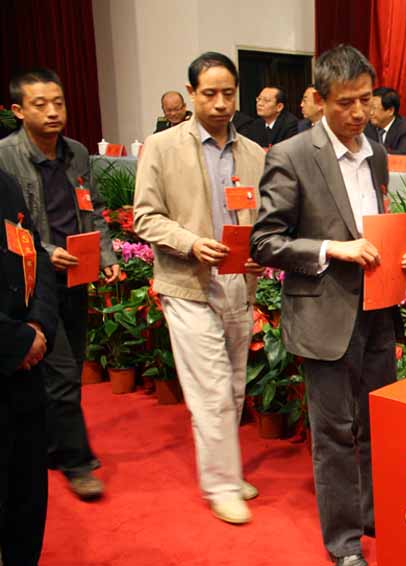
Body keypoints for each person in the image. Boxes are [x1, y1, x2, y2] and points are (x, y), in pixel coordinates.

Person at [250, 45, 406, 566]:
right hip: (324, 314)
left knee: (375, 424)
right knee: (334, 434)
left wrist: (400, 251)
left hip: (378, 308)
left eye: (366, 99)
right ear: (320, 100)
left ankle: (371, 514)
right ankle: (344, 544)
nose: (359, 112)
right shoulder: (292, 155)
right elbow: (265, 242)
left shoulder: (378, 154)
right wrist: (331, 249)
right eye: (346, 102)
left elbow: (374, 222)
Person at [133, 52, 266, 524]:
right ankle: (221, 484)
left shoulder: (254, 153)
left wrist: (261, 251)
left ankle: (226, 468)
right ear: (191, 93)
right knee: (210, 387)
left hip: (238, 283)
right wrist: (190, 243)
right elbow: (145, 217)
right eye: (209, 93)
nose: (220, 103)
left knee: (233, 386)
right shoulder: (162, 146)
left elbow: (263, 219)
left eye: (228, 93)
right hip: (187, 282)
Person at [0, 67, 119, 501]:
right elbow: (11, 228)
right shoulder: (5, 157)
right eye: (40, 105)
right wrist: (48, 252)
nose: (53, 112)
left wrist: (106, 255)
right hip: (36, 283)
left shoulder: (77, 153)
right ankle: (76, 460)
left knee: (70, 366)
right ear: (18, 111)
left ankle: (52, 445)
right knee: (64, 372)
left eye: (59, 103)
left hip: (78, 274)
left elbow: (93, 208)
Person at [0, 168, 57, 566]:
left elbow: (36, 254)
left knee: (27, 504)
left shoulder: (5, 182)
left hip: (24, 379)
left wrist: (38, 325)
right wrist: (15, 341)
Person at [365, 87, 406, 154]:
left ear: (390, 111)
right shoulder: (365, 125)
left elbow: (402, 155)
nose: (371, 113)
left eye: (374, 108)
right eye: (370, 107)